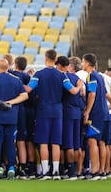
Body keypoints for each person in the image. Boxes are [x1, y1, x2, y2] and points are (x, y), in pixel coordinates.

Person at [24, 49, 80, 180]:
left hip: (43, 111)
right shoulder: (61, 75)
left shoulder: (39, 74)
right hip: (58, 111)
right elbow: (72, 90)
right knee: (56, 142)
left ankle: (45, 171)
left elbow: (28, 89)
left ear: (45, 58)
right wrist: (79, 87)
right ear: (55, 60)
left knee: (43, 142)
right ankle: (55, 172)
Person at [82, 53, 111, 180]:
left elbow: (92, 94)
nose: (82, 64)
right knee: (102, 143)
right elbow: (106, 94)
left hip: (96, 114)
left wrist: (87, 112)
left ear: (88, 63)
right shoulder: (100, 76)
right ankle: (102, 171)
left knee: (92, 142)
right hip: (105, 113)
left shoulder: (91, 76)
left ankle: (94, 171)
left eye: (83, 62)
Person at [57, 55, 85, 180]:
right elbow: (82, 92)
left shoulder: (63, 77)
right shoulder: (77, 78)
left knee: (67, 144)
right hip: (77, 112)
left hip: (67, 112)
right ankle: (78, 171)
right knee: (77, 144)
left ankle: (70, 170)